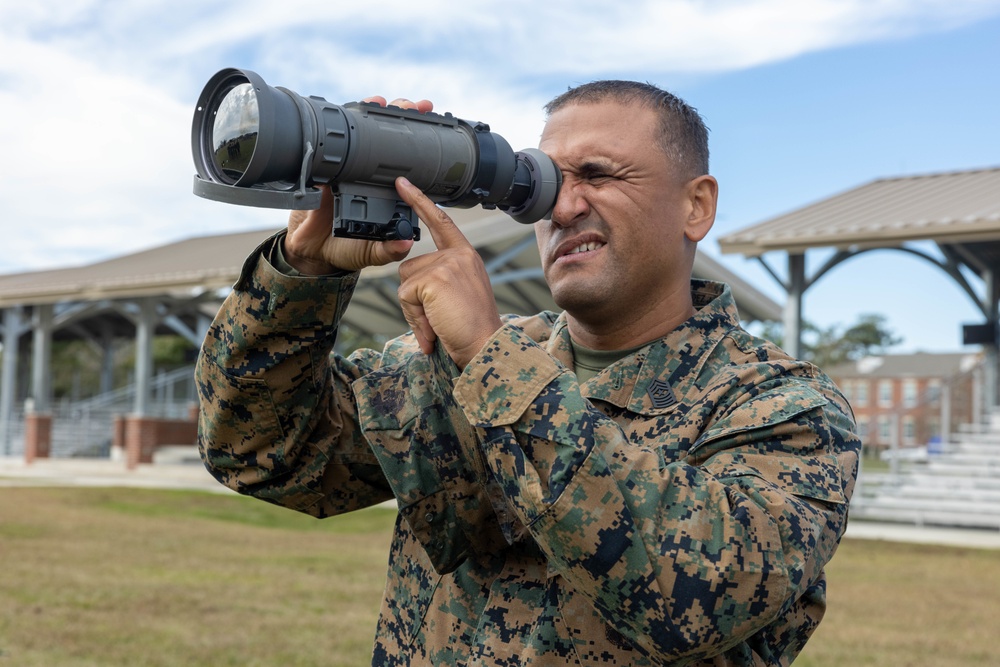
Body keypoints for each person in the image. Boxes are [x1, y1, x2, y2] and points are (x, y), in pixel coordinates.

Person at [196, 80, 861, 666]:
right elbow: (262, 452)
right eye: (545, 182)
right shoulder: (453, 363)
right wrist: (303, 271)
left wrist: (493, 363)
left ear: (697, 206)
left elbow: (694, 593)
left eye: (599, 174)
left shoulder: (785, 408)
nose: (564, 208)